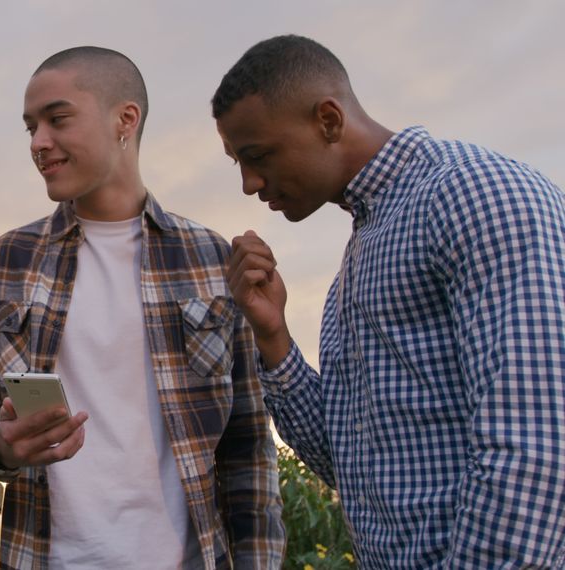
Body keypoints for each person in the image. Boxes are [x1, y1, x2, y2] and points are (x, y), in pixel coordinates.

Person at [213, 34, 565, 567]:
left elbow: (535, 450)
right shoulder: (359, 259)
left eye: (258, 156)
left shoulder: (477, 196)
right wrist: (274, 336)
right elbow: (348, 464)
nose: (249, 183)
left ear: (328, 120)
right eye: (239, 162)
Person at [0, 46, 284, 569]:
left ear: (126, 119)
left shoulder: (212, 258)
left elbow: (247, 446)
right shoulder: (7, 260)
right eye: (30, 127)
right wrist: (4, 448)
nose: (38, 142)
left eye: (57, 119)